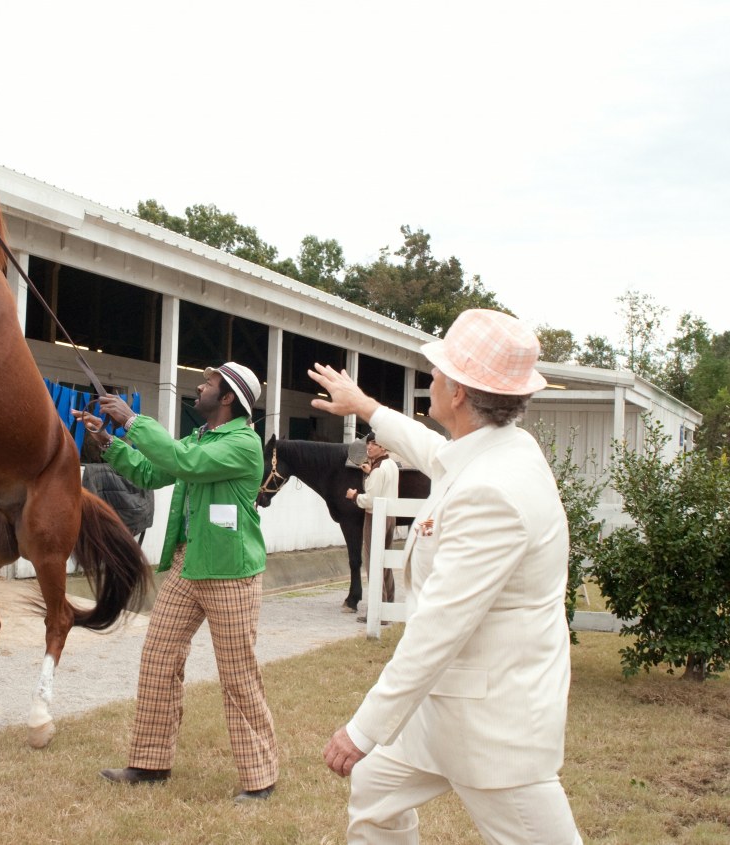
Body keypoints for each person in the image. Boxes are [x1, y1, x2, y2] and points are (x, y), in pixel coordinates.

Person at [313, 309, 582, 844]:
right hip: (450, 708)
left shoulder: (494, 491)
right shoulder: (497, 453)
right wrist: (367, 407)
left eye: (436, 371)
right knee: (375, 788)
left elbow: (439, 628)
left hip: (495, 725)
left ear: (457, 391)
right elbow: (434, 452)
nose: (429, 379)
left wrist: (363, 728)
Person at [72, 362, 278, 804]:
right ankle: (149, 762)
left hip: (231, 573)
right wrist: (108, 441)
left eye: (208, 384)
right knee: (159, 657)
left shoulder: (243, 443)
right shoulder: (201, 437)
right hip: (189, 563)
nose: (199, 387)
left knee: (238, 674)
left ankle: (260, 778)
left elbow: (183, 462)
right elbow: (154, 472)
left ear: (227, 399)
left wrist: (131, 419)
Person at [346, 431, 397, 621]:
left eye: (374, 444)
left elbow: (370, 500)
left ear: (382, 447)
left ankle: (377, 613)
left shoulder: (378, 470)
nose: (369, 447)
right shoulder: (391, 465)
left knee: (373, 563)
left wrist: (354, 496)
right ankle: (388, 604)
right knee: (386, 563)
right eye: (369, 444)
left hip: (375, 518)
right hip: (390, 516)